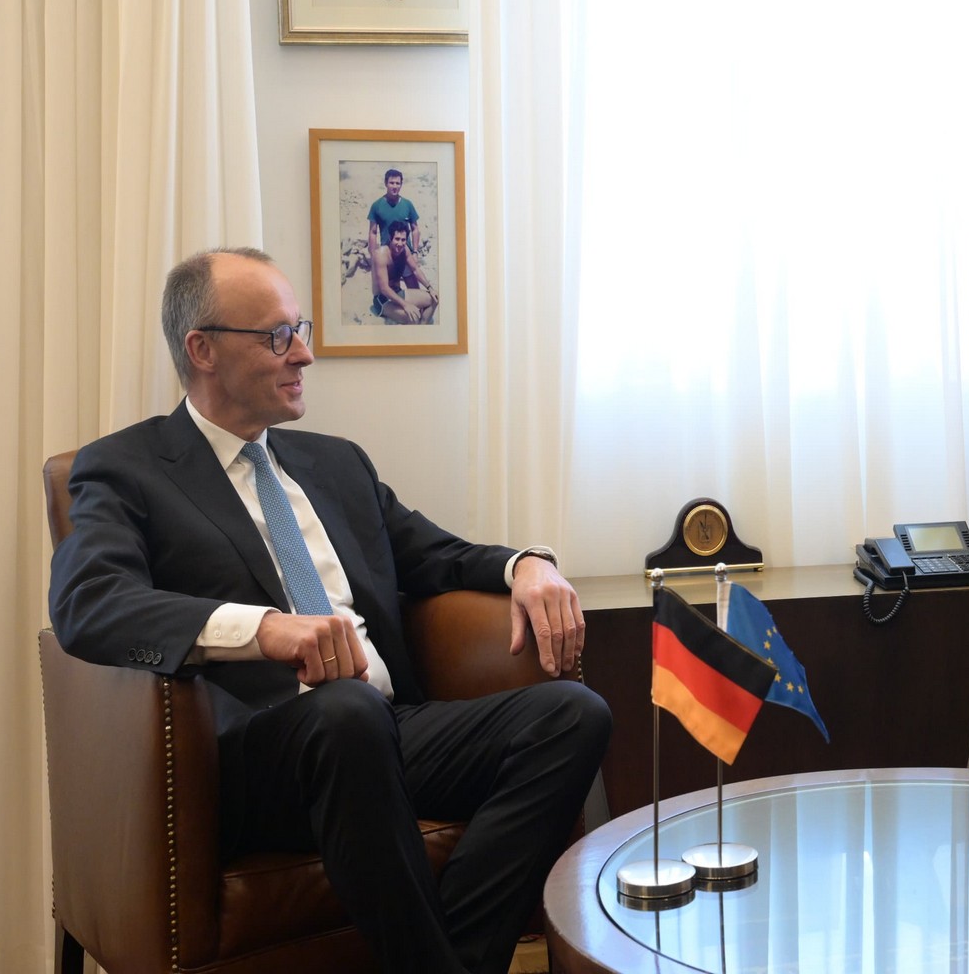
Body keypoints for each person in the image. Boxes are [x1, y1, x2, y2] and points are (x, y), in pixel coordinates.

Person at [49, 247, 610, 973]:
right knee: (344, 711)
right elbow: (89, 603)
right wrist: (264, 629)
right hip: (247, 757)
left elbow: (435, 554)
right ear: (203, 350)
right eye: (278, 336)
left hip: (386, 726)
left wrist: (524, 564)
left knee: (573, 714)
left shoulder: (334, 463)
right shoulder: (126, 468)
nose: (305, 355)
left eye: (301, 329)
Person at [373, 218, 439, 324]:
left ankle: (423, 329)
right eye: (397, 239)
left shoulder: (405, 250)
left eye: (403, 240)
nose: (400, 243)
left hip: (398, 293)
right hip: (383, 300)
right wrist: (406, 305)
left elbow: (415, 269)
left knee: (434, 299)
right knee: (414, 317)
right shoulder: (381, 255)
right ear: (390, 238)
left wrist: (430, 288)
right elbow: (384, 288)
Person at [367, 167, 421, 272]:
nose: (395, 186)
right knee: (389, 287)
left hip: (406, 254)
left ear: (401, 184)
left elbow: (415, 229)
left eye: (398, 183)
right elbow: (373, 232)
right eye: (392, 183)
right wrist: (374, 255)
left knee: (414, 286)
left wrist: (415, 252)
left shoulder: (407, 204)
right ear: (385, 183)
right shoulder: (376, 206)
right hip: (387, 256)